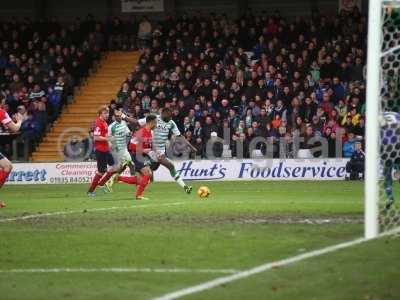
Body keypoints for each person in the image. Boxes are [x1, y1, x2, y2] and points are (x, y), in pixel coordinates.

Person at [140, 108, 194, 194]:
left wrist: (191, 147)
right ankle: (185, 187)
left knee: (153, 168)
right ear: (163, 114)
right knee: (171, 166)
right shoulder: (154, 119)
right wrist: (124, 117)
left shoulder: (171, 123)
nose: (170, 118)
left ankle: (143, 173)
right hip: (154, 149)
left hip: (161, 151)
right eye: (169, 116)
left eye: (171, 117)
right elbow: (138, 122)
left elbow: (180, 136)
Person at [116, 115, 157, 200]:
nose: (156, 124)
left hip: (143, 156)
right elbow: (131, 146)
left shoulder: (150, 132)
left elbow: (148, 145)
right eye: (155, 122)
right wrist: (143, 150)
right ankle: (139, 195)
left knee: (139, 179)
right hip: (137, 156)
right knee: (148, 173)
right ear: (151, 122)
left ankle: (117, 178)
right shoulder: (140, 132)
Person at [87, 106, 118, 196]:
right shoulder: (98, 122)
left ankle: (101, 183)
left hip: (106, 149)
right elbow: (96, 137)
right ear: (100, 114)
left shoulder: (104, 123)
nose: (107, 115)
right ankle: (91, 191)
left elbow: (105, 136)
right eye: (105, 113)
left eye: (107, 113)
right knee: (101, 171)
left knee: (115, 167)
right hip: (100, 150)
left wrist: (109, 143)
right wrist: (108, 139)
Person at [104, 109, 135, 192]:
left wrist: (129, 134)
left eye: (120, 116)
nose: (119, 117)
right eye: (117, 116)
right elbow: (108, 138)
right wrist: (112, 146)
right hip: (117, 150)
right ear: (114, 117)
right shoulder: (111, 127)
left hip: (124, 148)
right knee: (130, 164)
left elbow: (127, 133)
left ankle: (110, 181)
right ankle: (135, 181)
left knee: (123, 166)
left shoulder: (124, 123)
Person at [0, 105, 22, 208]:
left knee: (7, 166)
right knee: (7, 166)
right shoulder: (1, 112)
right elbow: (15, 129)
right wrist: (20, 121)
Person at [381, 112, 400, 209]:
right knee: (398, 169)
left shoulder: (378, 116)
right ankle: (398, 172)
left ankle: (390, 197)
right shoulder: (397, 115)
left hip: (386, 148)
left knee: (387, 177)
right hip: (398, 145)